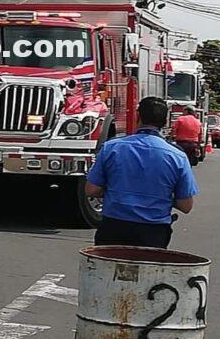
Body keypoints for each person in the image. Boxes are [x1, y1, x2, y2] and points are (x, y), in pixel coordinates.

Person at [85, 96, 198, 248]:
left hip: (113, 227)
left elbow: (91, 190)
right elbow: (186, 205)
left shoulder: (111, 148)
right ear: (165, 122)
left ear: (137, 116)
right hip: (154, 233)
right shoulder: (178, 156)